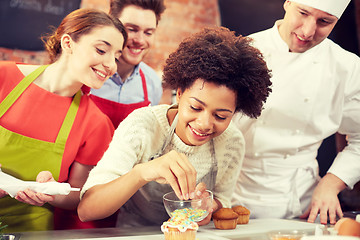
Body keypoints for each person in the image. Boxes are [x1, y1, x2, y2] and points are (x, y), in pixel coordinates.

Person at [77, 26, 272, 227]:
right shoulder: (142, 125)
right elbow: (87, 209)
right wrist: (141, 173)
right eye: (195, 107)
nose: (204, 124)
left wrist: (209, 205)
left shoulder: (232, 142)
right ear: (179, 94)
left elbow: (223, 199)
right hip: (134, 233)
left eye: (220, 116)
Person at [231, 0, 360, 225]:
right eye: (303, 13)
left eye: (324, 22)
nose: (308, 31)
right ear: (287, 3)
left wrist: (331, 183)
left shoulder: (347, 67)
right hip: (231, 195)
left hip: (302, 204)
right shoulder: (242, 51)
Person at [0, 8, 127, 232]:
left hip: (30, 229)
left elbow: (79, 195)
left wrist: (53, 193)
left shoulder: (95, 123)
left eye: (116, 56)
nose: (111, 65)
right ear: (68, 43)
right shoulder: (3, 77)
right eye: (101, 50)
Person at [86, 0, 166, 128]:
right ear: (111, 24)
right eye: (132, 29)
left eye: (148, 33)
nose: (140, 40)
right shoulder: (86, 72)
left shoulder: (153, 84)